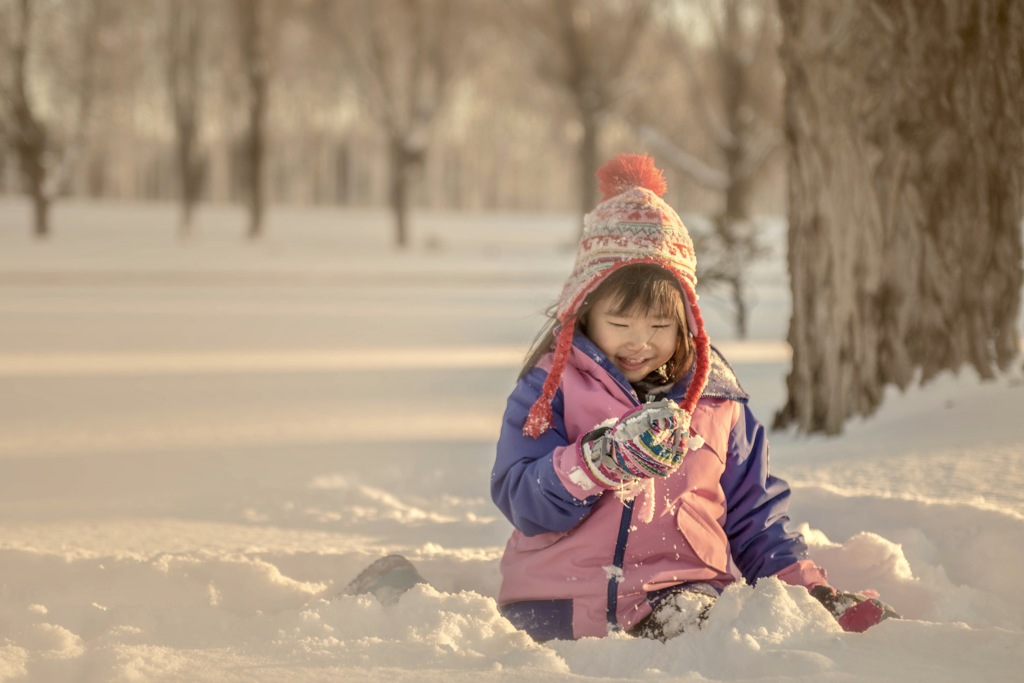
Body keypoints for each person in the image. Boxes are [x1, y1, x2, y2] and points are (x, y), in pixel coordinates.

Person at [490, 153, 897, 642]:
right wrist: (597, 462)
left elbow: (753, 514)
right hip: (557, 602)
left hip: (677, 600)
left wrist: (805, 595)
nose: (640, 342)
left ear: (687, 320)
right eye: (620, 324)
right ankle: (396, 592)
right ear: (586, 310)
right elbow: (521, 497)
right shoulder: (549, 388)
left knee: (730, 646)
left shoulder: (716, 402)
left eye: (661, 325)